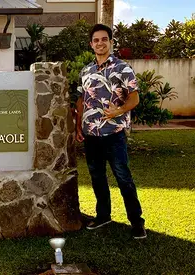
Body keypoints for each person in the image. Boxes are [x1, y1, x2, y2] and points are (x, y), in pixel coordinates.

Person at [75, 24, 146, 239]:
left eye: (104, 39)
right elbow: (81, 99)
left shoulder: (122, 68)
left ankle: (137, 222)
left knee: (123, 178)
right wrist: (79, 126)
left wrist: (119, 110)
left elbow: (134, 97)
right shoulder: (86, 71)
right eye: (96, 40)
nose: (100, 43)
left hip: (114, 134)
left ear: (111, 42)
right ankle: (103, 215)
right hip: (91, 135)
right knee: (97, 178)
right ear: (91, 44)